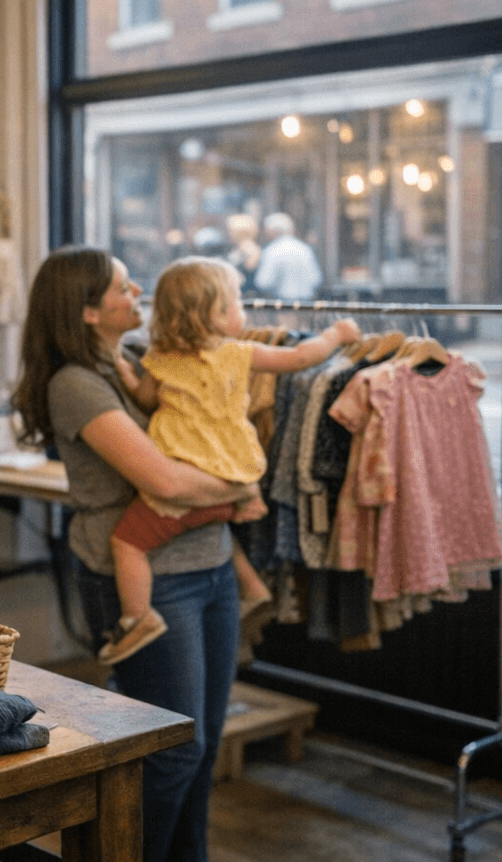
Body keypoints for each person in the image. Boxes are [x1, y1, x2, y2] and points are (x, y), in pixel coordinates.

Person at [13, 245, 259, 862]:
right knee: (173, 745)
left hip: (206, 563)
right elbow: (163, 480)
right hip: (145, 573)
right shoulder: (77, 383)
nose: (138, 292)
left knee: (203, 739)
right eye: (124, 287)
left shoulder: (139, 363)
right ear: (90, 310)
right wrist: (240, 488)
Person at [100, 257, 361, 664]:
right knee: (208, 517)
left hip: (186, 484)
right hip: (229, 481)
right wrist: (335, 334)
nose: (244, 310)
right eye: (237, 302)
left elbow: (145, 399)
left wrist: (127, 376)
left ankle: (137, 616)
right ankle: (249, 585)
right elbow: (299, 359)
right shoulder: (238, 353)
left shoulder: (161, 358)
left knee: (127, 543)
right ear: (216, 316)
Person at [252, 211, 323, 301]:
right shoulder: (305, 249)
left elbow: (263, 282)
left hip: (282, 306)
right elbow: (316, 279)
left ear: (271, 231)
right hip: (306, 306)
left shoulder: (271, 251)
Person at [223, 213, 261, 296]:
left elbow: (248, 275)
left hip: (247, 298)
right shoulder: (239, 249)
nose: (227, 233)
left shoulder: (249, 250)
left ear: (239, 232)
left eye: (229, 230)